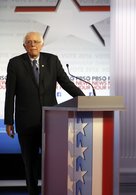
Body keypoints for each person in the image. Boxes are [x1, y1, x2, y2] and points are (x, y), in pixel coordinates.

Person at [4, 32, 85, 195]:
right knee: (30, 164)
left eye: (36, 42)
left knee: (53, 162)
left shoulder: (52, 60)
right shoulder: (15, 63)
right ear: (24, 46)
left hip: (51, 122)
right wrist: (8, 121)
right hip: (26, 123)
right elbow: (10, 94)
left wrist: (84, 99)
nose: (33, 44)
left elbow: (66, 83)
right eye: (29, 42)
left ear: (42, 44)